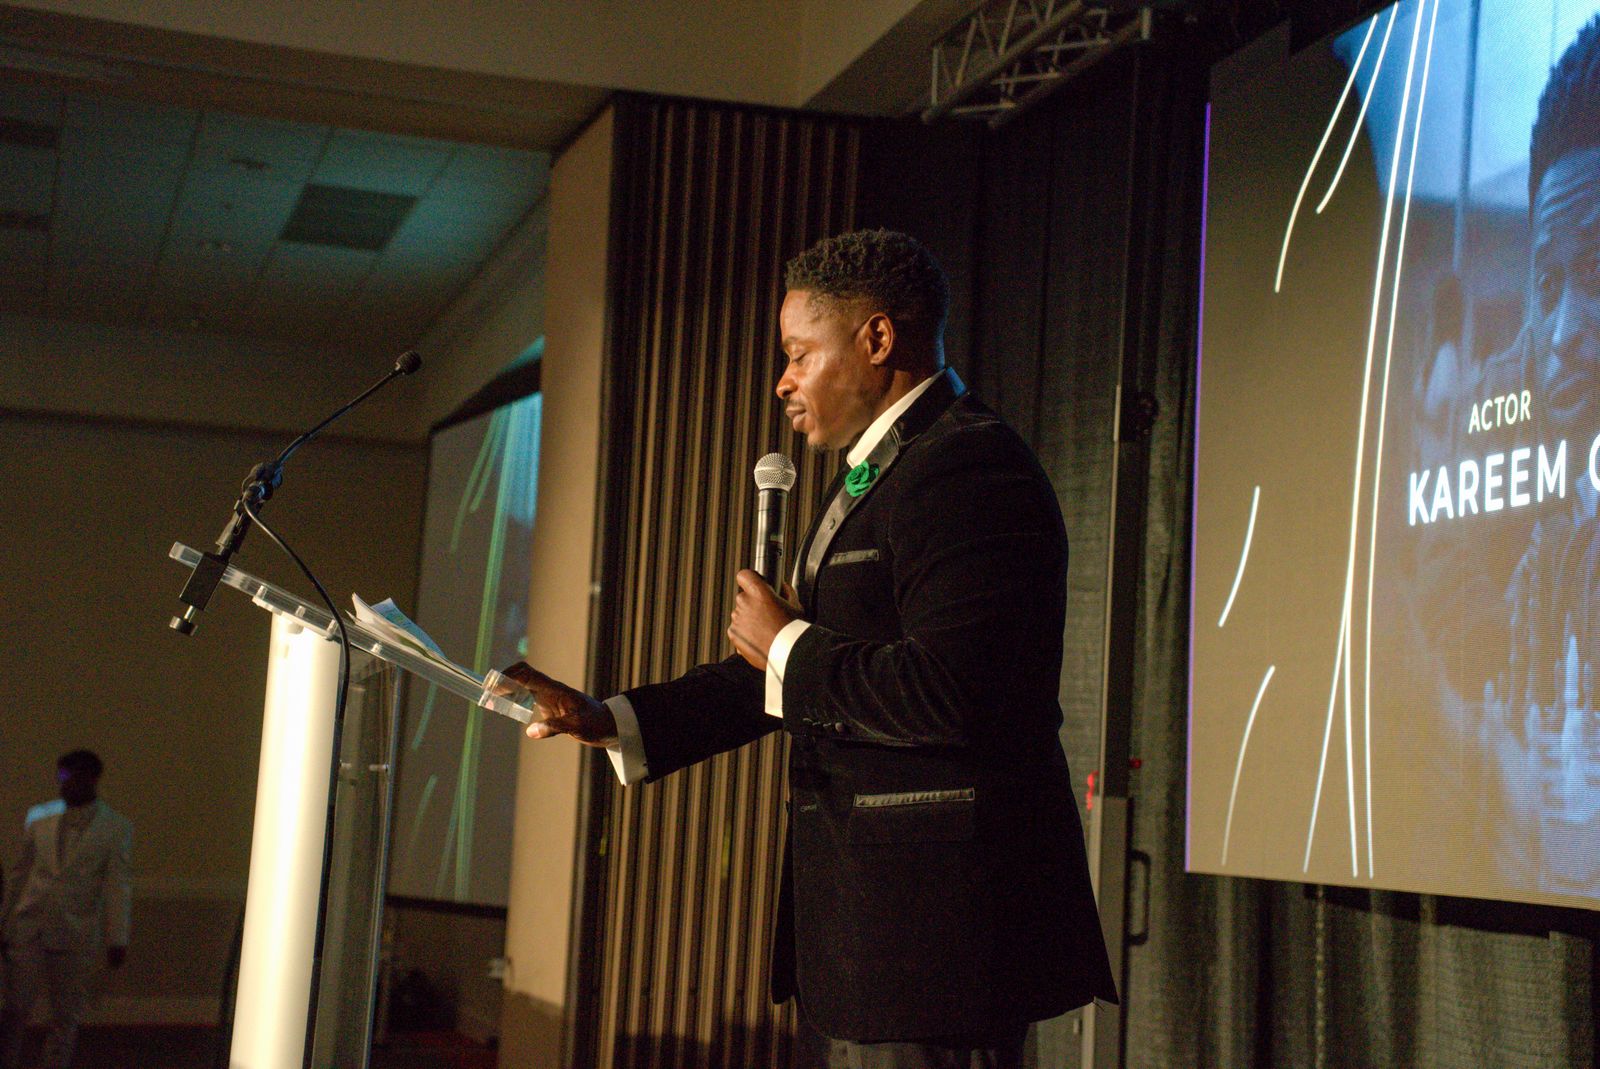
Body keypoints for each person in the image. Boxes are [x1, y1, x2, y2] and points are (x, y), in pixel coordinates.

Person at [501, 228, 1116, 1068]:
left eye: (798, 353)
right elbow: (783, 675)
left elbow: (951, 690)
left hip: (937, 947)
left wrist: (788, 638)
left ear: (877, 338)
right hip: (864, 942)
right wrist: (611, 717)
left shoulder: (970, 468)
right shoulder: (878, 472)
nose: (782, 380)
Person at [0, 750, 133, 1069]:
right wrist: (4, 921)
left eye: (73, 777)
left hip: (76, 934)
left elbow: (118, 885)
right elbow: (19, 873)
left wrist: (118, 938)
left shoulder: (115, 828)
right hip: (28, 927)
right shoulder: (39, 816)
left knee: (65, 1015)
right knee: (15, 1009)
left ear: (92, 779)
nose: (66, 784)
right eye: (62, 777)